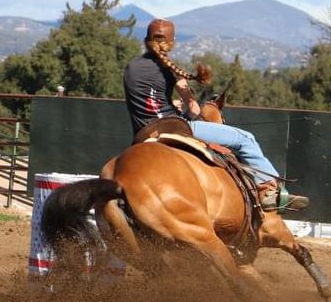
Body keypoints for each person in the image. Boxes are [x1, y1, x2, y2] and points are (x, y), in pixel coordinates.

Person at [123, 18, 309, 212]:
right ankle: (270, 191)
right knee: (245, 139)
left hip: (142, 134)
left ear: (146, 40)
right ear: (172, 42)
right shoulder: (169, 70)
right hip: (173, 128)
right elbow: (194, 110)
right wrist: (182, 109)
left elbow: (147, 102)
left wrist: (169, 104)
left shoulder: (130, 67)